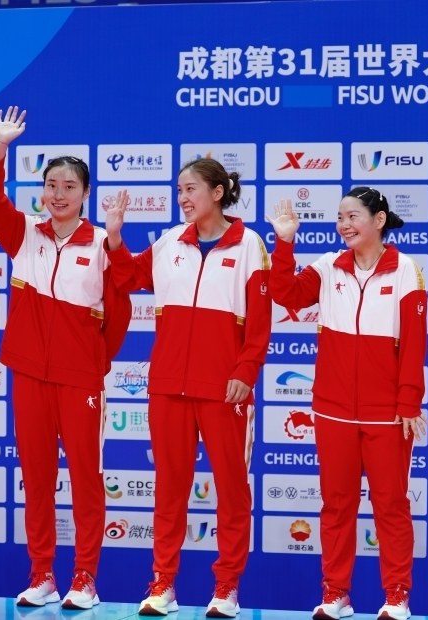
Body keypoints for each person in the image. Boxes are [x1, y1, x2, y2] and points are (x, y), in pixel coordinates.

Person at [104, 157, 271, 618]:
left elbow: (259, 323)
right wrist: (115, 237)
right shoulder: (168, 242)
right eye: (179, 189)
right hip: (168, 386)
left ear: (217, 193)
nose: (182, 197)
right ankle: (163, 584)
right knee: (169, 490)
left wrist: (244, 371)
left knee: (232, 490)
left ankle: (227, 588)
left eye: (191, 188)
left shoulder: (250, 245)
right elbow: (126, 278)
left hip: (225, 389)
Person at [0, 107, 132, 610]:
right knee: (38, 478)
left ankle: (84, 578)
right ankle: (42, 574)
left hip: (80, 379)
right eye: (51, 185)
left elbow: (120, 314)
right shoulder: (23, 234)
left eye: (69, 186)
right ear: (42, 192)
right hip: (28, 375)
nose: (59, 194)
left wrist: (91, 360)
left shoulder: (103, 246)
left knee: (86, 478)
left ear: (83, 194)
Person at [267, 188, 428, 620]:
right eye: (340, 217)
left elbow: (414, 345)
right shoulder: (327, 266)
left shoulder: (407, 271)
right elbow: (287, 294)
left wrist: (409, 402)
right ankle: (336, 593)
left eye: (353, 216)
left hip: (387, 414)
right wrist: (284, 243)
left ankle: (397, 596)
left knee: (390, 505)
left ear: (378, 220)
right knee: (336, 505)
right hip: (333, 409)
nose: (344, 225)